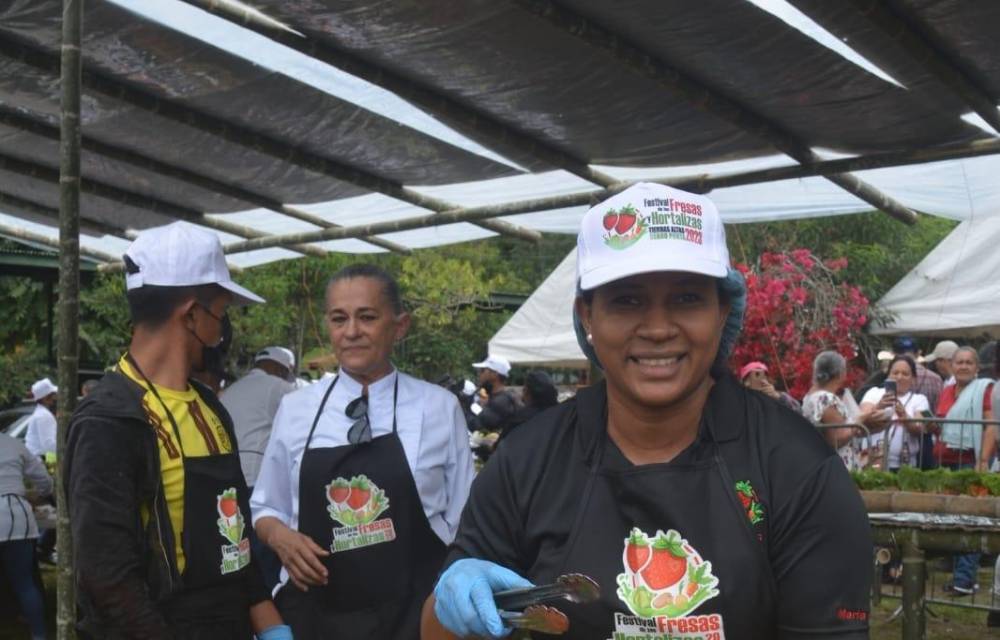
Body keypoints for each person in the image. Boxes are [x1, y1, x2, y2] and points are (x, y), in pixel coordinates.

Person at [423, 182, 872, 639]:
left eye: (686, 298)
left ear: (722, 310)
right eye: (627, 300)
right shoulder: (527, 461)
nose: (658, 328)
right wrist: (454, 599)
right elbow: (436, 631)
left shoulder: (795, 468)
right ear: (587, 316)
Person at [65, 222, 290, 640]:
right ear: (191, 315)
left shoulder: (210, 409)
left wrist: (271, 625)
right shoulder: (109, 419)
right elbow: (108, 578)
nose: (222, 332)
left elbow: (235, 541)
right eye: (220, 315)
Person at [251, 264, 475, 639]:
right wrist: (279, 537)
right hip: (316, 617)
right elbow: (265, 507)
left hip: (413, 618)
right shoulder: (296, 409)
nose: (351, 331)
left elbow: (466, 519)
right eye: (339, 319)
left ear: (399, 325)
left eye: (367, 317)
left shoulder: (439, 407)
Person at [221, 346, 297, 591]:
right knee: (263, 562)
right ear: (279, 368)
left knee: (237, 555)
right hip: (256, 484)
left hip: (228, 486)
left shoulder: (231, 390)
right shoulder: (279, 387)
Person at [933, 346, 994, 596]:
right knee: (953, 520)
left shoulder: (985, 389)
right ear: (952, 365)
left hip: (971, 462)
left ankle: (964, 581)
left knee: (970, 519)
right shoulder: (947, 390)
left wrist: (982, 460)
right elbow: (942, 425)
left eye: (969, 362)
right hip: (946, 463)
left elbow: (991, 426)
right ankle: (963, 577)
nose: (964, 366)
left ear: (977, 367)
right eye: (959, 362)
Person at [0, 430, 52, 640]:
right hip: (17, 517)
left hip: (14, 516)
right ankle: (39, 635)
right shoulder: (14, 444)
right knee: (24, 583)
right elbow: (45, 482)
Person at [802, 351, 886, 471]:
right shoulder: (826, 398)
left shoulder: (811, 396)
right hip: (837, 467)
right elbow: (837, 438)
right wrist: (860, 419)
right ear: (840, 374)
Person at [859, 355, 930, 471]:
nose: (899, 377)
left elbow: (920, 428)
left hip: (905, 464)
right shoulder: (873, 393)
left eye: (905, 374)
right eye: (895, 373)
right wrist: (879, 406)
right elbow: (861, 418)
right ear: (888, 375)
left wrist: (904, 416)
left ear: (913, 378)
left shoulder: (920, 399)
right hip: (872, 459)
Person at [498, 370, 559, 443]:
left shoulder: (520, 419)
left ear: (527, 392)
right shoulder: (563, 416)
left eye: (524, 390)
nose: (522, 396)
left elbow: (500, 447)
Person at [468, 355, 522, 434]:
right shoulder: (497, 397)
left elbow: (476, 426)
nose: (479, 374)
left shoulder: (501, 401)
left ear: (495, 374)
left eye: (483, 370)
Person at [892, 336, 943, 411]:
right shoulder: (936, 379)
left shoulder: (890, 376)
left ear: (893, 354)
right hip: (926, 422)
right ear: (918, 353)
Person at [24, 378, 58, 459]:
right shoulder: (44, 416)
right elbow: (49, 445)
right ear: (45, 398)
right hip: (40, 460)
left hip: (38, 459)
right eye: (53, 394)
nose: (56, 396)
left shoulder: (42, 413)